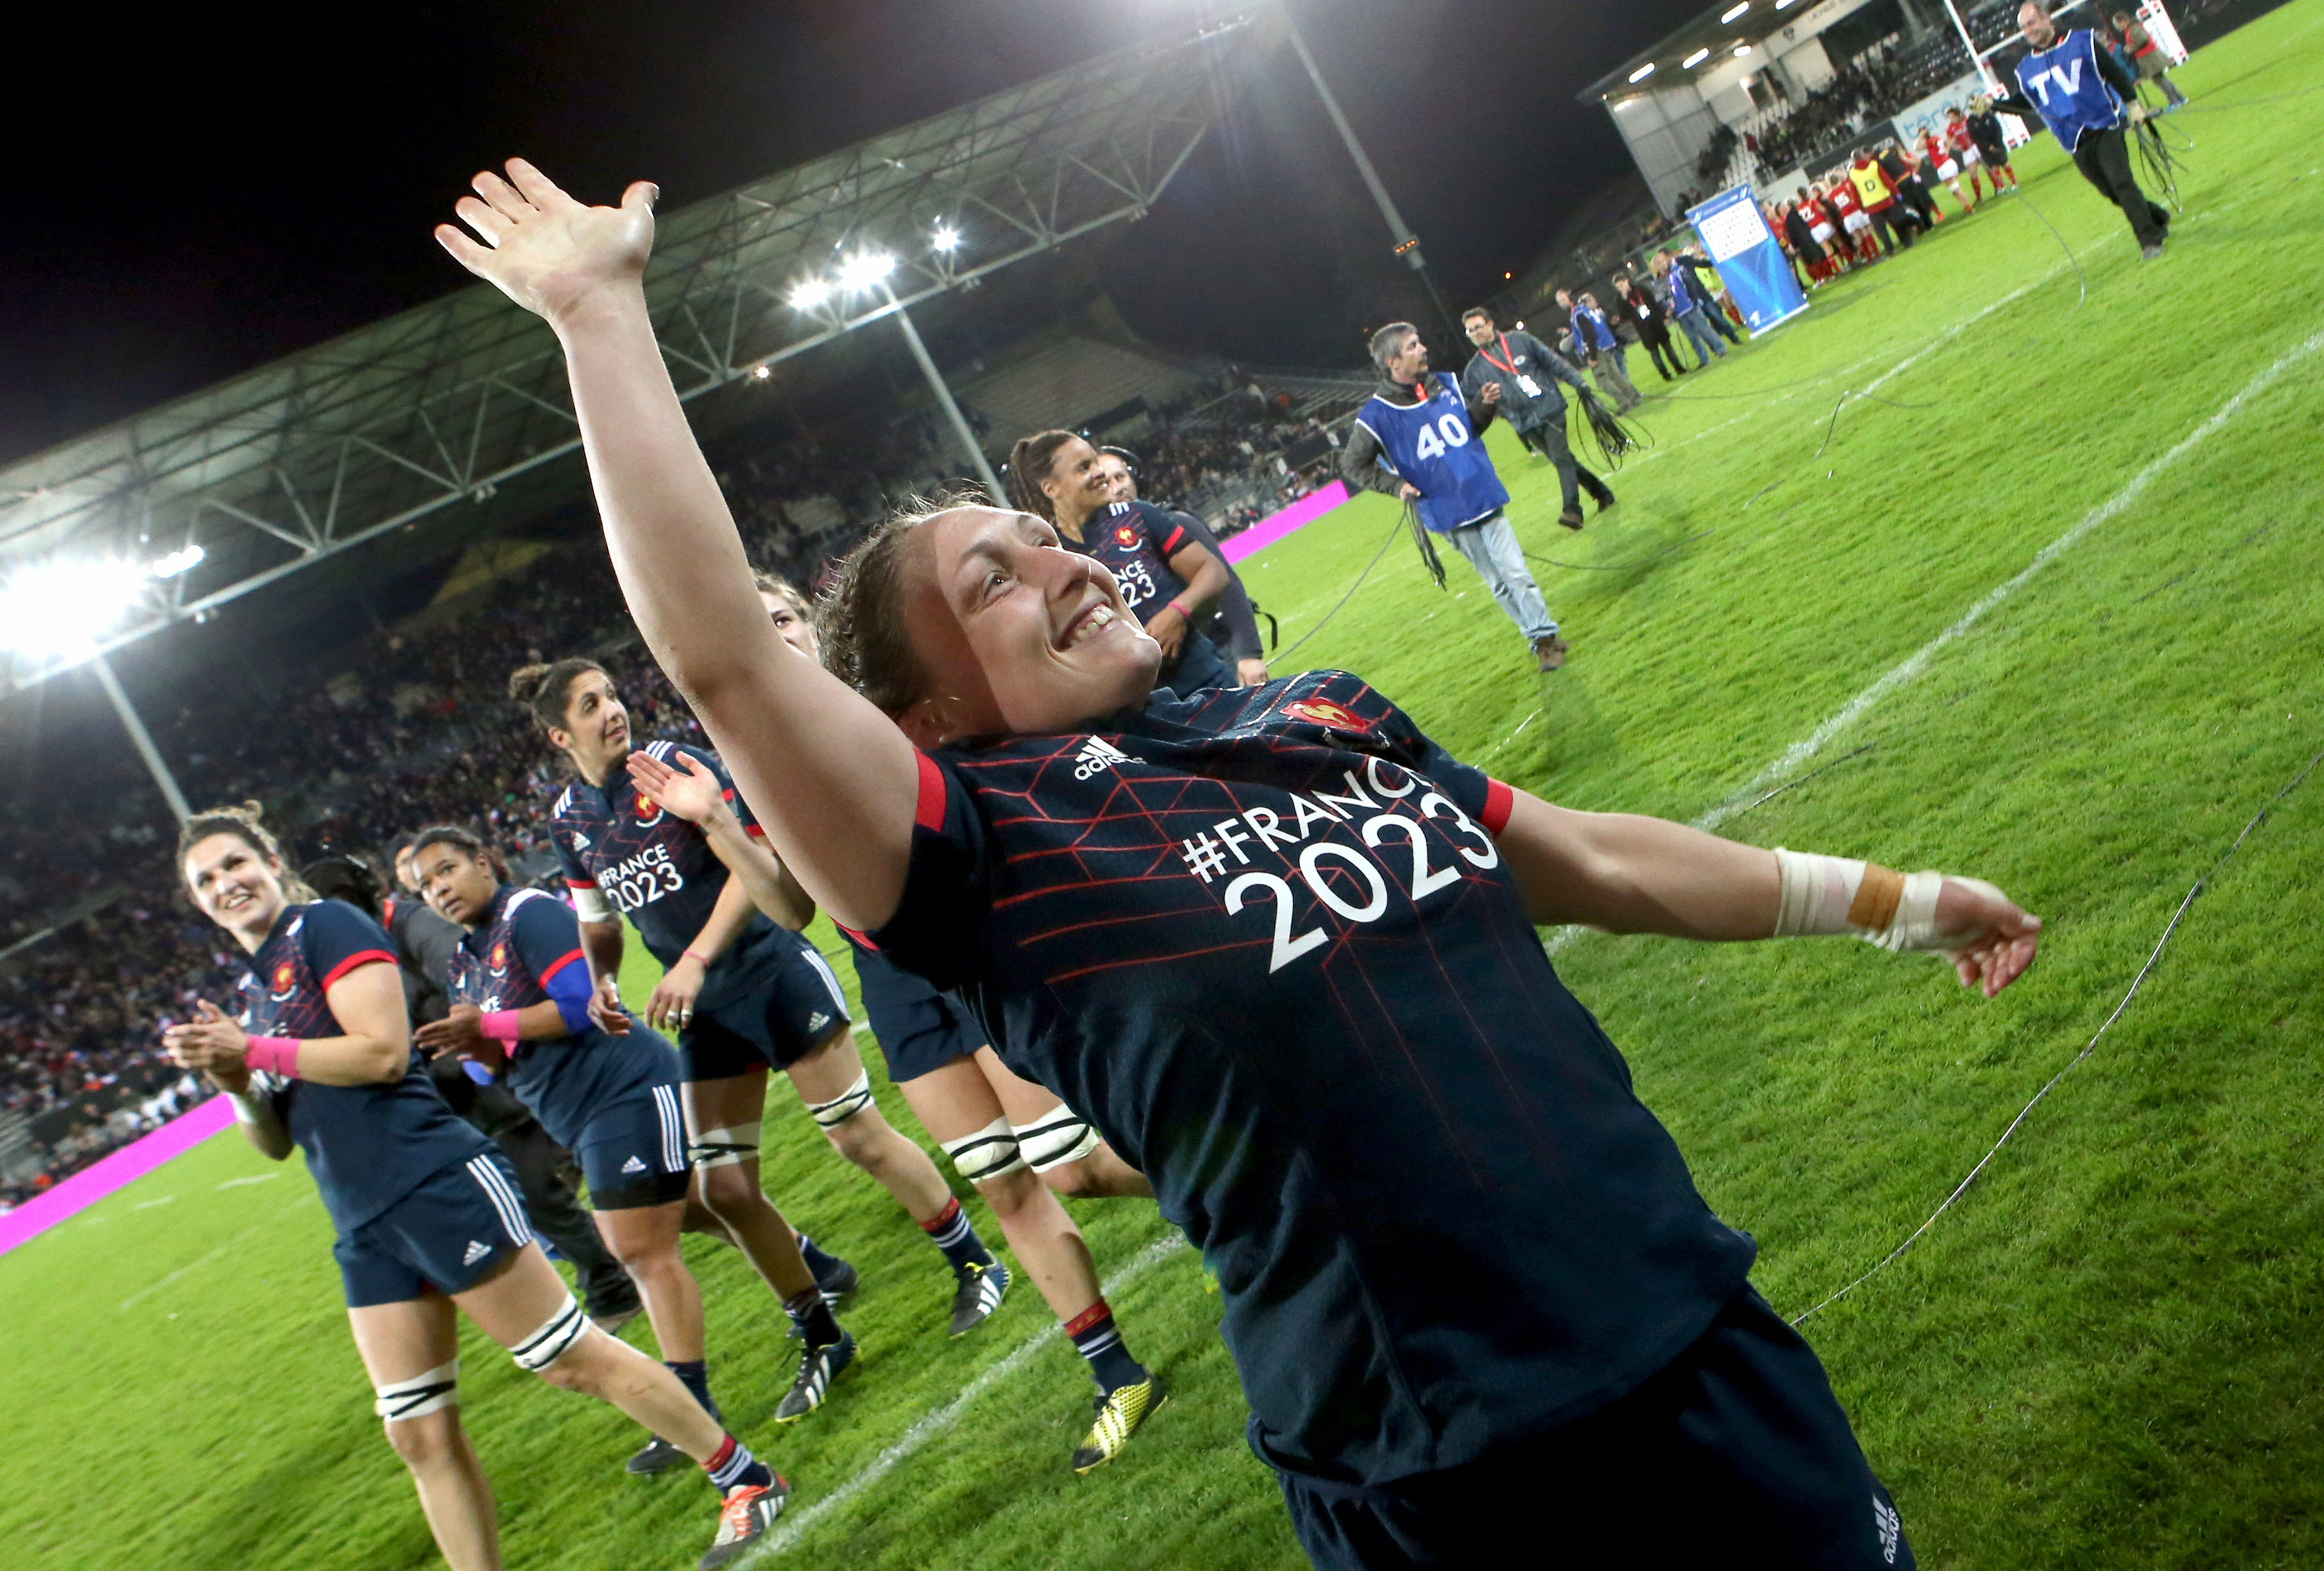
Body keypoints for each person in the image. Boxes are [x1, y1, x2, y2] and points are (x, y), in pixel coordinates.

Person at [435, 156, 2045, 1568]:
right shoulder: (974, 844)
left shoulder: (1317, 711)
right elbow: (725, 655)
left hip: (1686, 1319)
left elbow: (1602, 863)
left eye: (1039, 530)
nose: (1060, 559)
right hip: (1445, 1461)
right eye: (993, 579)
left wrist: (1899, 903)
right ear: (924, 708)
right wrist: (598, 317)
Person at [627, 576, 1167, 1475]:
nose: (773, 639)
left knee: (1073, 1163)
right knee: (1003, 1186)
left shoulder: (879, 695)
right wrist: (718, 819)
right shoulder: (757, 759)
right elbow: (791, 906)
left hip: (974, 945)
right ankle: (1117, 1373)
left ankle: (1251, 1201)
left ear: (811, 623)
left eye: (782, 620)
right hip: (894, 981)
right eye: (751, 629)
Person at [165, 803, 788, 1570]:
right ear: (196, 903)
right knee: (416, 1431)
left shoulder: (325, 927)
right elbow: (273, 1141)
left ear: (268, 859)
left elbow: (384, 1054)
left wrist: (254, 1046)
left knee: (569, 1358)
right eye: (206, 880)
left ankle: (744, 1477)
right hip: (364, 1224)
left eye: (234, 863)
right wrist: (233, 1079)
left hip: (433, 1181)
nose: (226, 883)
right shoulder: (253, 991)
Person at [509, 658, 980, 1408]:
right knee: (726, 1188)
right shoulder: (569, 818)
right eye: (591, 704)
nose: (613, 711)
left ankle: (973, 1262)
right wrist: (598, 976)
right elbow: (597, 921)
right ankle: (822, 1332)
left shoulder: (672, 766)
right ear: (559, 733)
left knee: (854, 1137)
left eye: (612, 695)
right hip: (706, 1014)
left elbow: (751, 869)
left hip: (769, 976)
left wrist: (694, 958)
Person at [410, 826, 859, 1455]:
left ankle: (689, 1408)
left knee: (640, 1249)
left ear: (485, 863)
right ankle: (818, 1267)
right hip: (583, 1111)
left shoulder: (529, 915)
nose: (438, 889)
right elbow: (488, 1066)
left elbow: (578, 1004)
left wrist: (488, 1024)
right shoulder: (463, 959)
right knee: (700, 1207)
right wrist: (482, 1043)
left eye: (446, 869)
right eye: (425, 885)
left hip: (626, 1089)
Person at [309, 850, 642, 1332]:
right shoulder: (353, 947)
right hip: (458, 1084)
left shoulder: (412, 928)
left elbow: (476, 977)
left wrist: (467, 1041)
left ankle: (614, 1287)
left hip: (491, 1068)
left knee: (536, 1190)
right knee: (536, 1191)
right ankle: (619, 1264)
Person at [1340, 321, 1571, 671]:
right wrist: (1395, 485)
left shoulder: (1447, 383)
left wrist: (1483, 407)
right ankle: (1539, 638)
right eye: (1413, 346)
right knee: (1498, 582)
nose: (1423, 350)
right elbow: (1354, 464)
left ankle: (1545, 638)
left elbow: (1468, 430)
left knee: (1515, 572)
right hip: (1446, 510)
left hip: (1481, 492)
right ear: (1393, 362)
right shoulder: (1376, 415)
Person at [1004, 431, 1234, 697]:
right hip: (1139, 705)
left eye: (1095, 462)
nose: (1099, 472)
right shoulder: (1051, 556)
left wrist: (1178, 611)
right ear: (1051, 488)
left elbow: (1213, 571)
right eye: (1084, 468)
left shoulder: (1138, 516)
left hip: (1205, 678)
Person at [1995, 1, 2170, 259]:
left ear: (2046, 19)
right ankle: (2156, 215)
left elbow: (2113, 72)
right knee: (2110, 191)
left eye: (2031, 23)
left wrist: (2133, 104)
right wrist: (1991, 105)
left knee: (2122, 182)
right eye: (2023, 27)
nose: (2028, 31)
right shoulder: (2026, 68)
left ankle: (2150, 240)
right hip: (2073, 138)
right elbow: (2024, 104)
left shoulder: (2083, 41)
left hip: (2103, 125)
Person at [1094, 446, 1270, 687]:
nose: (1118, 487)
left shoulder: (1174, 521)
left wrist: (1249, 655)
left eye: (1121, 477)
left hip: (1218, 653)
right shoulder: (1101, 549)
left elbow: (1228, 587)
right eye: (1107, 482)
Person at [1461, 307, 1617, 528]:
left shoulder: (1520, 340)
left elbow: (1553, 361)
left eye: (1477, 327)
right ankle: (1602, 494)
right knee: (1563, 461)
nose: (1475, 333)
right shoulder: (1474, 370)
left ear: (1490, 324)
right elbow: (1469, 402)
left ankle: (1572, 510)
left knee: (1561, 459)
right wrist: (1486, 406)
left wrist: (1578, 382)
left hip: (1550, 408)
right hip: (1523, 423)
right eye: (1469, 331)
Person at [1556, 289, 1642, 412]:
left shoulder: (1578, 314)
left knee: (1602, 381)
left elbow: (1590, 335)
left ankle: (1624, 404)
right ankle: (1634, 397)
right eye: (1559, 301)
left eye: (1563, 299)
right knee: (1615, 375)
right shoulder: (1583, 310)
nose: (1562, 303)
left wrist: (1592, 357)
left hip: (1598, 348)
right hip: (1606, 344)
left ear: (1569, 298)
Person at [1653, 250, 1727, 366]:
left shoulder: (1678, 270)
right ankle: (1704, 360)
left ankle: (1720, 349)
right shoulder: (1658, 282)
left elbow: (1690, 284)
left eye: (1661, 262)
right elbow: (1660, 299)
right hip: (1678, 313)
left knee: (1704, 329)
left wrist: (1693, 301)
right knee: (1692, 338)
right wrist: (1667, 310)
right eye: (1657, 264)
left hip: (1690, 306)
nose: (1661, 265)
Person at [1614, 272, 1686, 380]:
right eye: (1618, 287)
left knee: (1668, 347)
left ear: (1626, 281)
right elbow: (1625, 316)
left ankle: (1679, 368)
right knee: (1655, 353)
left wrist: (1663, 317)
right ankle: (1665, 375)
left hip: (1656, 323)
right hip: (1644, 329)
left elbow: (1654, 303)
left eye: (1622, 285)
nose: (1621, 288)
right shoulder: (1620, 300)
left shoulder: (1640, 289)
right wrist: (1624, 300)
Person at [1848, 148, 1921, 253]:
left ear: (1854, 160)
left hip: (1870, 205)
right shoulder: (1874, 165)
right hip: (1885, 199)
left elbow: (1855, 194)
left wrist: (1861, 207)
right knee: (1896, 222)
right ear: (1863, 156)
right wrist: (1896, 192)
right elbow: (1886, 180)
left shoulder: (1853, 174)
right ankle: (1907, 242)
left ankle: (1890, 249)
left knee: (1881, 230)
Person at [2113, 10, 2188, 109]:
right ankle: (2180, 98)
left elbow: (2143, 40)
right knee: (2161, 79)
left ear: (2123, 21)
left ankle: (2175, 101)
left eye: (2117, 24)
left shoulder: (2133, 28)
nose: (2117, 27)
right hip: (2149, 57)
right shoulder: (2132, 28)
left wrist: (2131, 48)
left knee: (2159, 80)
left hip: (2149, 57)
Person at [1669, 247, 1743, 346]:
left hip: (1702, 295)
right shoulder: (1667, 272)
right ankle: (1718, 348)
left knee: (1719, 318)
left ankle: (1734, 339)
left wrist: (1714, 261)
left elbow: (1702, 264)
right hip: (1690, 302)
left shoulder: (1683, 261)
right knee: (1703, 327)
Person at [1965, 95, 2022, 193]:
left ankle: (2014, 182)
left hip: (1997, 144)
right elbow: (1974, 137)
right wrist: (1987, 146)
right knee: (1994, 167)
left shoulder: (1989, 116)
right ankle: (2003, 187)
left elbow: (1998, 129)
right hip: (1984, 149)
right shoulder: (1971, 121)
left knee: (2005, 163)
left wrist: (1996, 143)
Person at [1944, 106, 1994, 205]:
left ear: (1957, 115)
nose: (1951, 119)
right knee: (1973, 173)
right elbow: (1949, 142)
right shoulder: (1951, 129)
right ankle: (1979, 198)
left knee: (1988, 167)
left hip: (1976, 146)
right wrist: (1956, 147)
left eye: (1952, 116)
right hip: (1967, 151)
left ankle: (1999, 187)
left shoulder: (1967, 120)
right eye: (1949, 117)